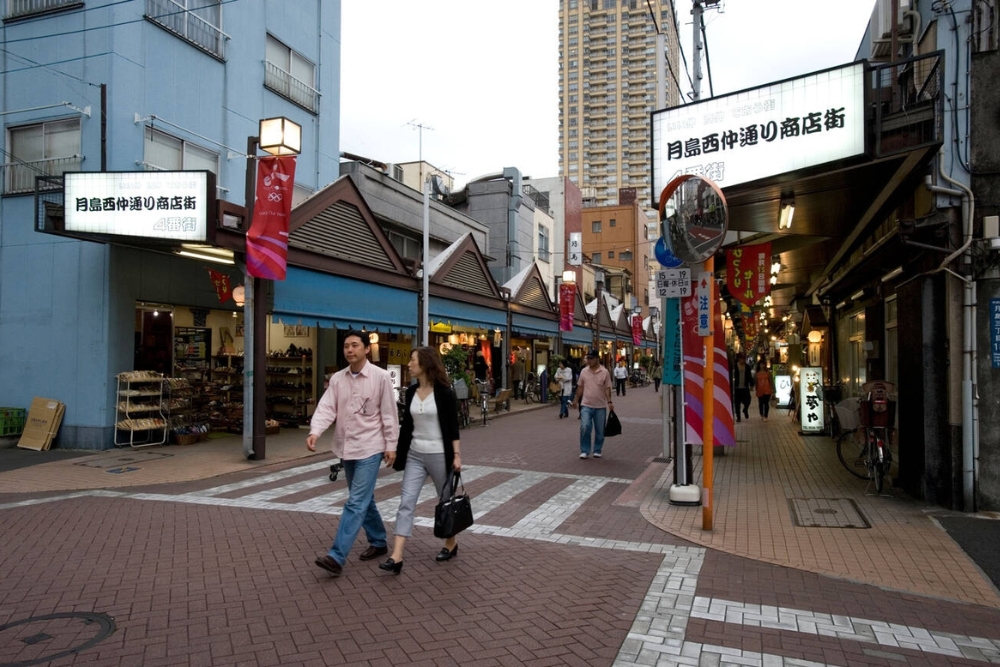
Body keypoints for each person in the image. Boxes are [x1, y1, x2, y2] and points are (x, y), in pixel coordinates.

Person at [307, 330, 398, 578]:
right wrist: (315, 431)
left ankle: (336, 556)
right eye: (346, 346)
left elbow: (389, 414)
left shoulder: (379, 378)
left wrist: (391, 445)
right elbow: (327, 407)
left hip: (371, 447)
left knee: (355, 502)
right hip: (346, 448)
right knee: (363, 499)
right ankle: (379, 541)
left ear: (366, 349)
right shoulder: (338, 379)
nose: (350, 350)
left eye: (355, 345)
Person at [379, 346, 462, 575]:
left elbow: (453, 427)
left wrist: (456, 455)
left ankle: (450, 542)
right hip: (415, 454)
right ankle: (396, 556)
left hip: (438, 454)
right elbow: (407, 426)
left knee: (445, 501)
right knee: (406, 502)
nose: (408, 364)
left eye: (412, 360)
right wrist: (395, 449)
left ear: (424, 363)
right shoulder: (411, 391)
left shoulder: (444, 392)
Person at [570, 348, 613, 459]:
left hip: (600, 406)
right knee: (585, 426)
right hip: (586, 404)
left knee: (600, 430)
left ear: (597, 359)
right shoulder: (584, 371)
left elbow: (607, 388)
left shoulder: (605, 372)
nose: (589, 360)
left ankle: (597, 450)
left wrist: (610, 402)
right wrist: (575, 400)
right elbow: (580, 387)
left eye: (591, 358)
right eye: (587, 358)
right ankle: (584, 450)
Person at [732, 354, 754, 422]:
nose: (743, 360)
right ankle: (738, 416)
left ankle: (745, 409)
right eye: (742, 359)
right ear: (739, 359)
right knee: (737, 403)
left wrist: (751, 385)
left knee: (748, 400)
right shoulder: (735, 367)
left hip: (745, 387)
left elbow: (750, 376)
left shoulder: (747, 367)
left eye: (744, 359)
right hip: (737, 387)